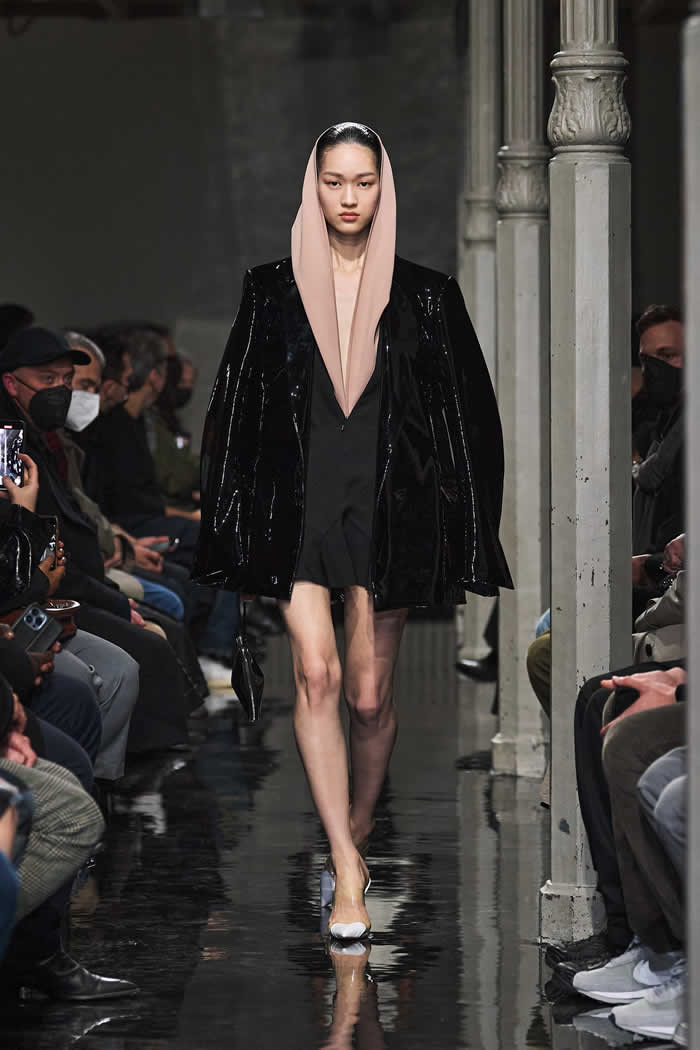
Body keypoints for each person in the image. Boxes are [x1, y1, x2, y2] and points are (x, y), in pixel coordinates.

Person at [194, 122, 512, 939]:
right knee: (316, 674)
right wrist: (231, 522)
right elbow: (236, 410)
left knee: (369, 698)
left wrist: (463, 523)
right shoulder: (271, 291)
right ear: (314, 185)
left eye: (363, 182)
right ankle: (342, 865)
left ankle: (361, 831)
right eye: (334, 181)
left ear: (383, 186)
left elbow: (468, 419)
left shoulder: (426, 295)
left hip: (386, 509)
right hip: (297, 506)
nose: (348, 198)